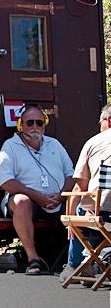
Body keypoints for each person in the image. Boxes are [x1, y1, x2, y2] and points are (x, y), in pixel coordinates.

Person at [0, 103, 75, 275]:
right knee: (21, 201)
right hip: (29, 202)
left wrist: (62, 196)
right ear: (20, 125)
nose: (34, 127)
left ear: (44, 125)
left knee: (79, 199)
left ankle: (80, 259)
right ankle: (33, 259)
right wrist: (37, 197)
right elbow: (5, 181)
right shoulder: (10, 146)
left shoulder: (55, 145)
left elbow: (71, 175)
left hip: (57, 201)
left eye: (39, 123)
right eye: (29, 122)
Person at [59, 104, 111, 283]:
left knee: (82, 208)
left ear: (108, 121)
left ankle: (76, 266)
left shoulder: (94, 142)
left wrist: (70, 219)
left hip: (101, 214)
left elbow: (79, 188)